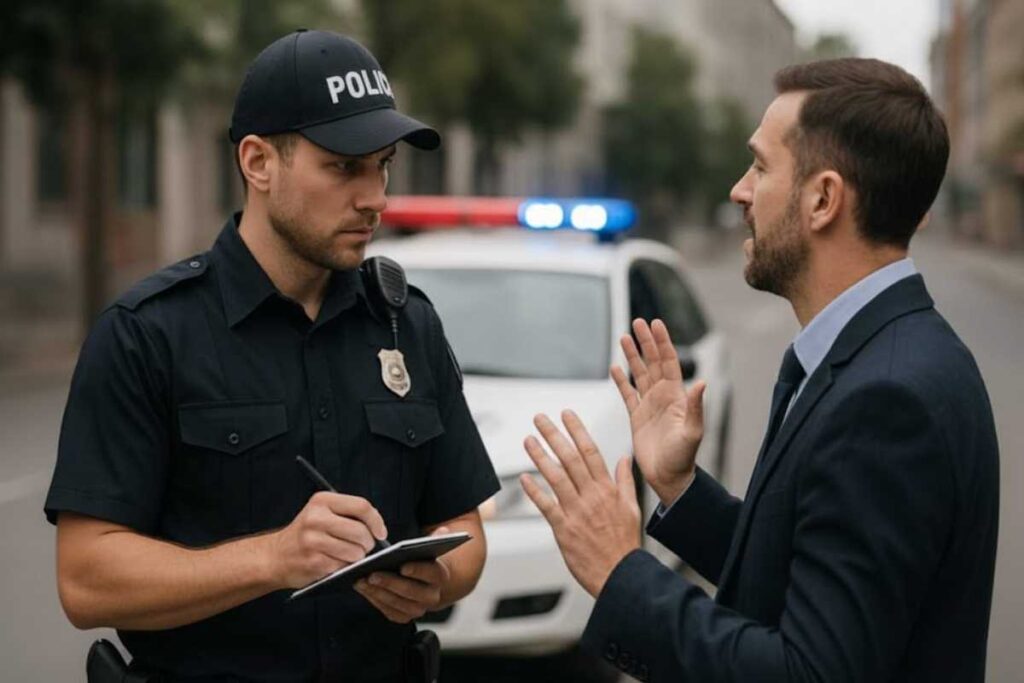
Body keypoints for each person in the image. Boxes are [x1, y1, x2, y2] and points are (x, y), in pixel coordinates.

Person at [519, 57, 1000, 682]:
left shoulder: (887, 399)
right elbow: (802, 578)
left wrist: (620, 574)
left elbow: (808, 671)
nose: (739, 191)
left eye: (760, 166)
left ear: (823, 199)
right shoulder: (883, 351)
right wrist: (680, 488)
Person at [45, 29, 499, 682]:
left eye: (383, 165)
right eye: (344, 167)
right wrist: (273, 559)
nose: (375, 197)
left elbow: (464, 526)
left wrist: (438, 577)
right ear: (258, 163)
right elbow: (86, 578)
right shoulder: (147, 334)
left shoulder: (407, 324)